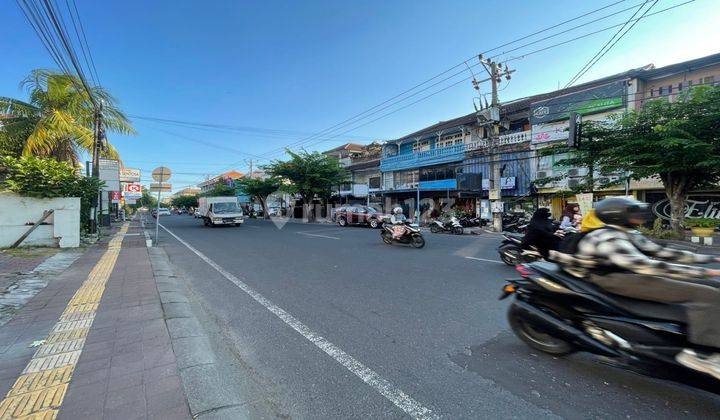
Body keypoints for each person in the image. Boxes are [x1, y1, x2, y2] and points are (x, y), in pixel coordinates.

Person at [551, 197, 720, 379]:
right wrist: (706, 272)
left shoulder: (627, 232)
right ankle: (703, 354)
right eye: (634, 212)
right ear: (618, 216)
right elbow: (647, 267)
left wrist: (711, 260)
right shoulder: (608, 237)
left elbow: (663, 253)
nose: (640, 215)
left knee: (713, 287)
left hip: (627, 273)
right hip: (614, 279)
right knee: (705, 294)